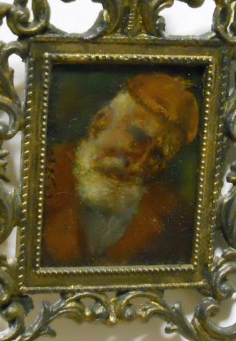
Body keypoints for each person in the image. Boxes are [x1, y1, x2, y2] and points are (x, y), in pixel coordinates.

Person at [41, 73, 199, 267]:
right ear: (101, 123)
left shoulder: (172, 218)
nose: (139, 164)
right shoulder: (43, 174)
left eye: (157, 156)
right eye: (137, 139)